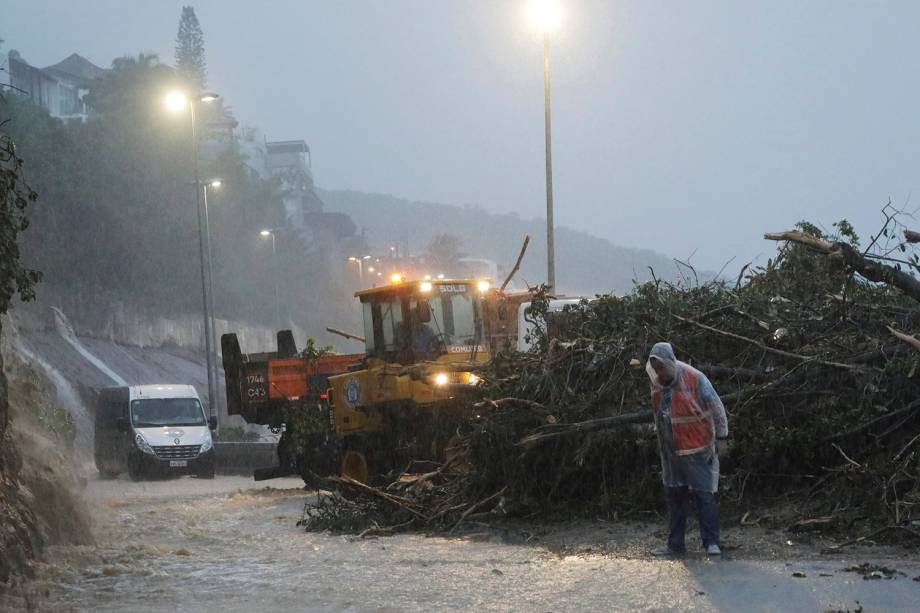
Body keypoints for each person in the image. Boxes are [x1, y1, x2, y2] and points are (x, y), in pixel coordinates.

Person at [646, 342, 729, 556]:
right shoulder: (657, 383)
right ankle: (675, 545)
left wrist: (722, 437)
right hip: (672, 453)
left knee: (704, 494)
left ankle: (711, 542)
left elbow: (716, 407)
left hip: (697, 448)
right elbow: (659, 413)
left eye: (661, 368)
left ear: (670, 362)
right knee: (675, 497)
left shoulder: (694, 378)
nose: (659, 373)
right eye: (656, 369)